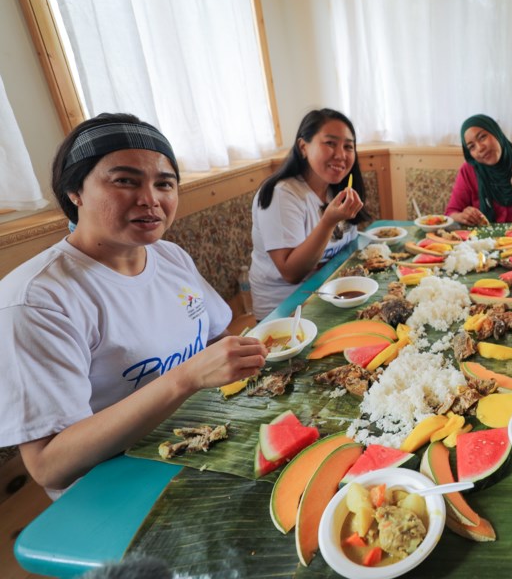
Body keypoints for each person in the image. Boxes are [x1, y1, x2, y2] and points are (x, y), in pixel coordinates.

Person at [0, 113, 268, 498]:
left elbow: (214, 338)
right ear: (75, 192)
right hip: (119, 486)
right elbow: (49, 465)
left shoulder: (169, 256)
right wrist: (184, 378)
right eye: (125, 181)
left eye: (164, 183)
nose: (150, 199)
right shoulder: (38, 300)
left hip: (206, 438)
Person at [249, 109, 371, 320]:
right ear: (303, 147)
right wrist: (328, 222)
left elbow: (349, 248)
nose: (341, 154)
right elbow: (291, 273)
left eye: (348, 146)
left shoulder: (337, 189)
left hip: (331, 293)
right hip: (286, 310)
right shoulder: (283, 194)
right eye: (330, 143)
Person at [446, 114, 512, 225]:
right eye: (471, 147)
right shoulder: (469, 171)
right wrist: (462, 217)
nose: (480, 148)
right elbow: (450, 213)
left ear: (496, 133)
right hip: (483, 241)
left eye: (482, 137)